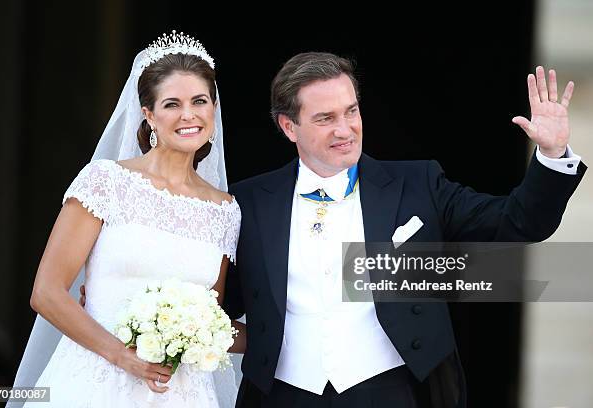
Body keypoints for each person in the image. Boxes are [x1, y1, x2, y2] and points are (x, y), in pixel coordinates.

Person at [223, 52, 586, 407]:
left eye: (351, 111)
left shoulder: (417, 183)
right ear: (289, 126)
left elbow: (517, 223)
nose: (344, 129)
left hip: (390, 391)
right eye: (325, 118)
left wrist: (552, 155)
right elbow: (219, 305)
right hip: (282, 395)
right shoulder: (250, 201)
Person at [9, 32, 244, 407]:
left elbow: (211, 319)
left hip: (181, 393)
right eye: (172, 104)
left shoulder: (225, 210)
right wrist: (123, 356)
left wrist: (286, 334)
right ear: (148, 115)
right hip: (95, 383)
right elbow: (47, 293)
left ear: (213, 108)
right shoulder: (106, 181)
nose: (189, 115)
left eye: (200, 101)